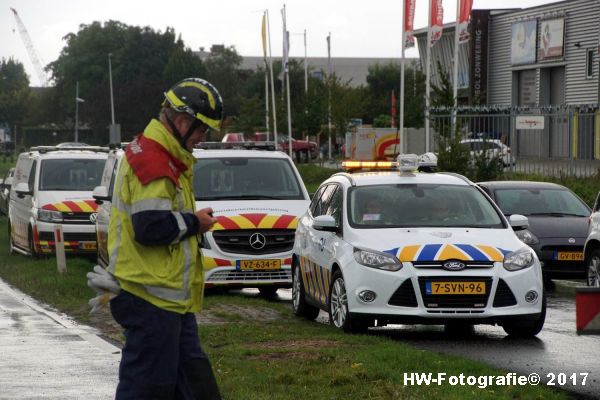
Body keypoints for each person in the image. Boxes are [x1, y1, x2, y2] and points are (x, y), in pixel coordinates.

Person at [107, 78, 223, 399]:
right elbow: (149, 227)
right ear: (183, 121)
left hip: (168, 301)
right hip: (149, 299)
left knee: (196, 389)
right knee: (148, 389)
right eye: (202, 130)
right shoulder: (155, 162)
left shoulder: (164, 155)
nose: (202, 139)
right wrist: (194, 223)